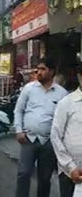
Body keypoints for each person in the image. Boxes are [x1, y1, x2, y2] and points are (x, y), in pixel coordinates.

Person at [14, 57, 68, 197]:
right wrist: (19, 130)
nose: (38, 72)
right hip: (28, 139)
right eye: (38, 69)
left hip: (49, 142)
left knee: (45, 178)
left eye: (43, 69)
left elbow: (64, 119)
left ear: (52, 72)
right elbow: (18, 110)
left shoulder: (62, 94)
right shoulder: (28, 89)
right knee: (23, 173)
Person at [51, 61, 82, 197]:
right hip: (70, 171)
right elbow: (55, 136)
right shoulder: (67, 103)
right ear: (80, 76)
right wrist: (71, 167)